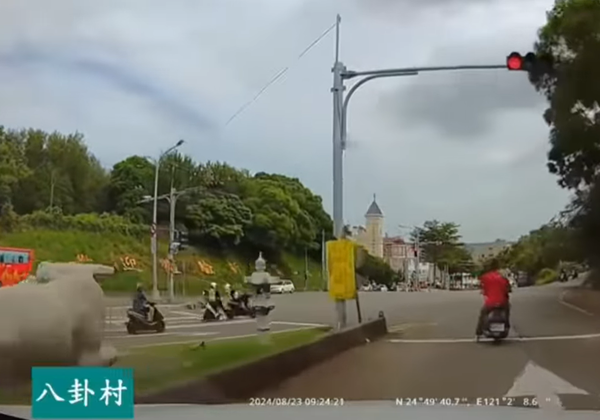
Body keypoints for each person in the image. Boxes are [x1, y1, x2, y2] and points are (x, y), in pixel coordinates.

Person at [475, 259, 511, 339]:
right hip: (502, 302)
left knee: (483, 314)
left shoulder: (484, 277)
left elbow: (484, 289)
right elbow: (508, 288)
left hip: (490, 303)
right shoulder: (502, 277)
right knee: (507, 311)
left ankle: (478, 333)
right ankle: (507, 325)